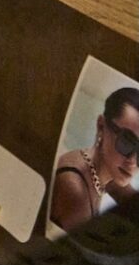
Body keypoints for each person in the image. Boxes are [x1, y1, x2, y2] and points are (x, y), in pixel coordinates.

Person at [50, 86, 139, 233]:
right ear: (101, 126)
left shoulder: (106, 170)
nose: (133, 162)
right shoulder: (76, 194)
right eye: (126, 141)